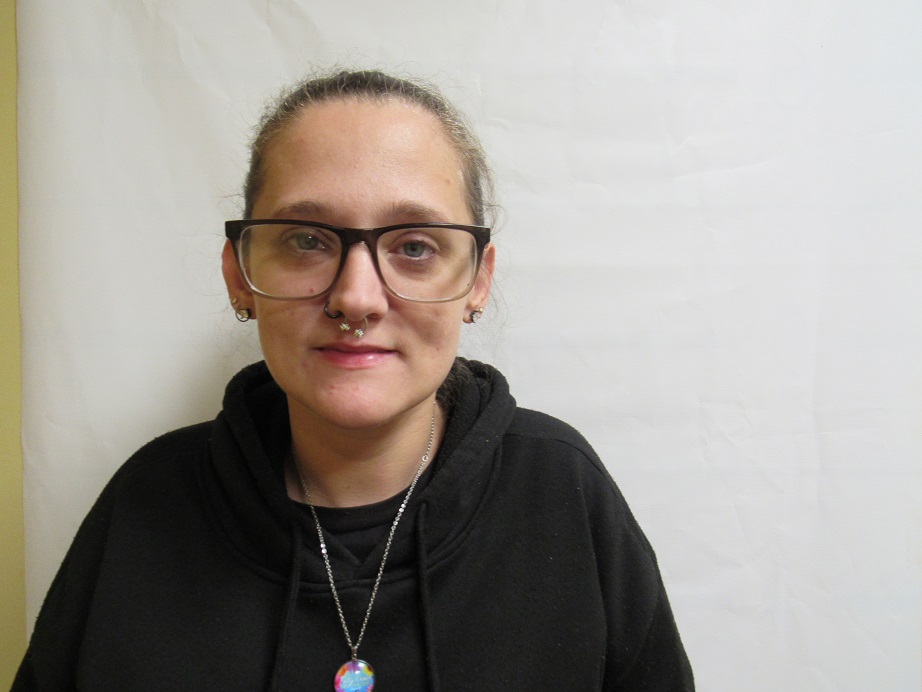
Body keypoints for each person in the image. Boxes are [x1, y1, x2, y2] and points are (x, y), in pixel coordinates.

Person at [15, 69, 694, 691]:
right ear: (239, 274)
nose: (357, 298)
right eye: (306, 240)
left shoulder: (563, 494)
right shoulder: (146, 504)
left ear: (477, 281)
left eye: (415, 247)